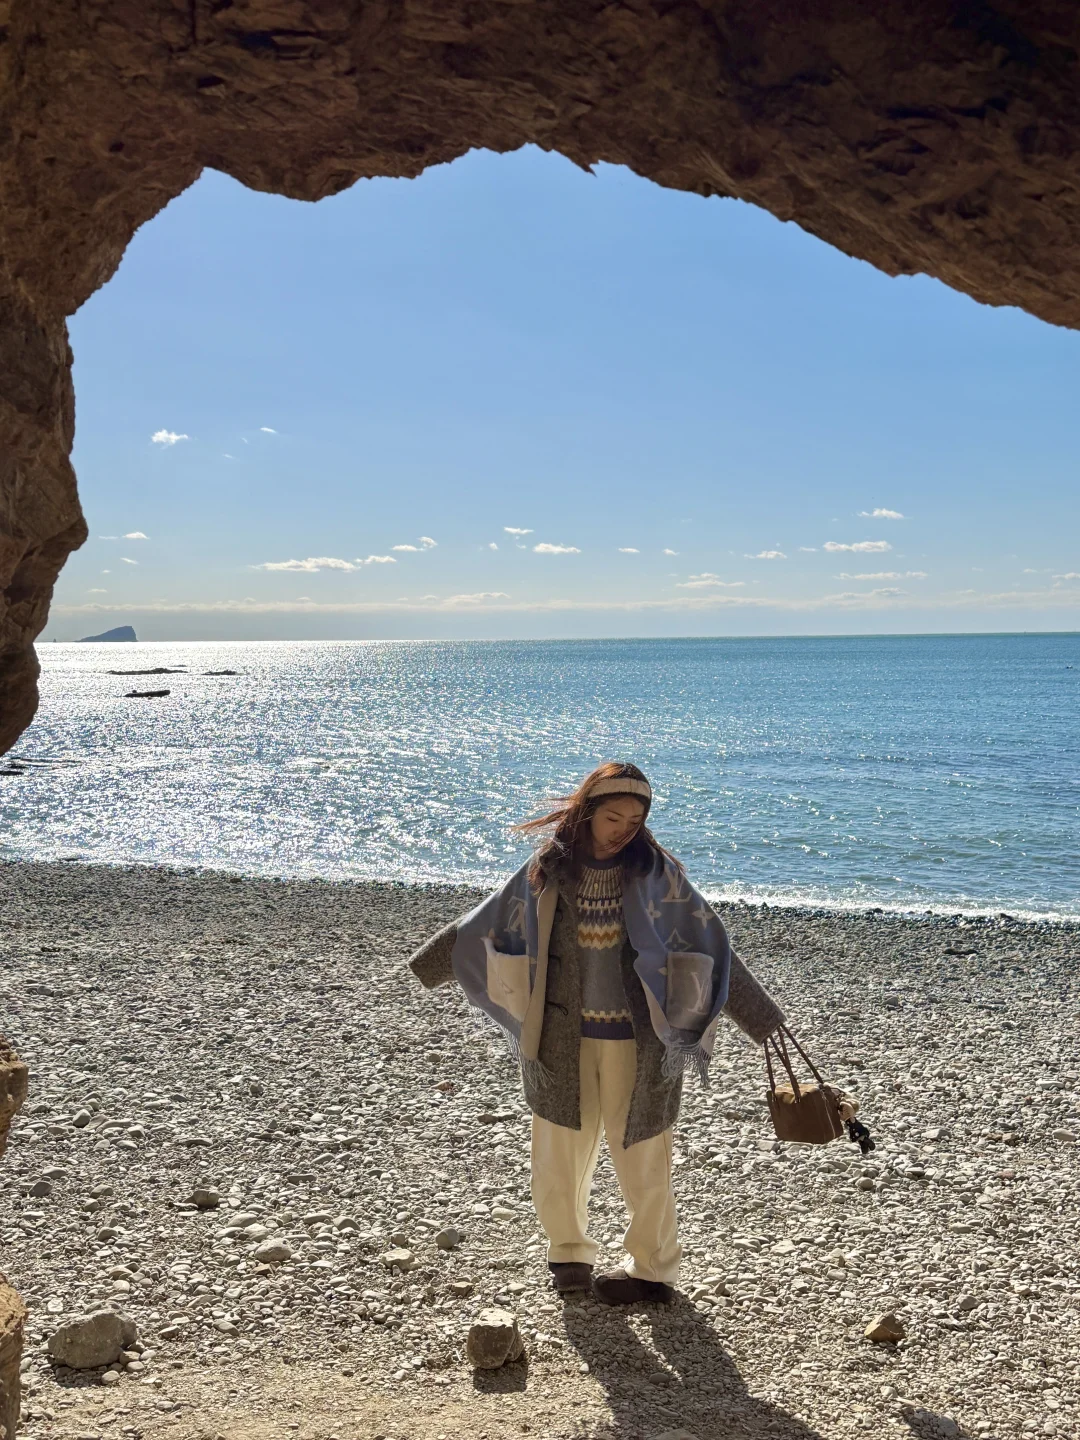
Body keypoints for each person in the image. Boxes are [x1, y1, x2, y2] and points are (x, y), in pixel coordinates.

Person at [407, 761, 788, 1305]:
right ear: (586, 812)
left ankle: (653, 1271)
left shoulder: (659, 875)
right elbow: (487, 924)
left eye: (635, 819)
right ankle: (569, 1254)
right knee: (558, 1153)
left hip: (644, 1042)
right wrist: (425, 966)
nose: (623, 829)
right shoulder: (547, 870)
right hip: (558, 1039)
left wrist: (763, 1021)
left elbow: (712, 948)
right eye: (613, 817)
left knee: (644, 1155)